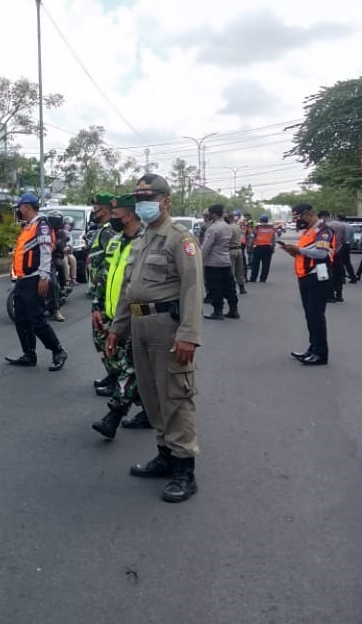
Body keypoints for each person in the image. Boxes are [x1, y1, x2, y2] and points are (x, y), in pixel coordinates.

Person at [106, 174, 203, 503]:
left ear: (165, 200)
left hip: (167, 326)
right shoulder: (142, 238)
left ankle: (184, 469)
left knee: (175, 395)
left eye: (148, 195)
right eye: (138, 196)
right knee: (151, 396)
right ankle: (164, 454)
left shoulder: (180, 238)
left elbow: (193, 288)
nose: (142, 201)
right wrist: (117, 328)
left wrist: (189, 334)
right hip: (139, 324)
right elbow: (128, 288)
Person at [90, 194, 150, 440]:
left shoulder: (147, 241)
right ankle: (147, 407)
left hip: (136, 317)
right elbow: (103, 274)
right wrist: (96, 305)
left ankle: (114, 415)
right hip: (109, 314)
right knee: (115, 361)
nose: (111, 219)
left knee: (130, 368)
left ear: (130, 215)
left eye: (115, 216)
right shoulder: (114, 241)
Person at [5, 193, 68, 372]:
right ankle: (29, 354)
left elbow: (46, 251)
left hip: (34, 279)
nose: (19, 210)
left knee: (37, 320)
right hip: (22, 279)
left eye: (20, 207)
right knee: (21, 319)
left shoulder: (42, 226)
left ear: (27, 206)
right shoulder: (28, 227)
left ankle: (58, 351)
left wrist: (44, 277)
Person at [278, 203, 334, 366]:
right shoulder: (308, 232)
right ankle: (313, 348)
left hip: (318, 277)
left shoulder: (323, 231)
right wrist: (293, 251)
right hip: (306, 276)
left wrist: (299, 250)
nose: (297, 221)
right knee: (310, 315)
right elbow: (306, 255)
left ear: (309, 215)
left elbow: (321, 253)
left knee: (316, 316)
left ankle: (321, 354)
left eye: (298, 217)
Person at [86, 193, 117, 395]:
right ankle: (113, 375)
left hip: (106, 293)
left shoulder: (108, 231)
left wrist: (99, 297)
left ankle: (116, 378)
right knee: (103, 337)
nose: (94, 213)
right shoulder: (104, 229)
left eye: (96, 209)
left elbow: (108, 265)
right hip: (101, 291)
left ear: (104, 210)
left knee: (104, 337)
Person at [201, 204, 238, 320]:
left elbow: (206, 246)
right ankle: (233, 310)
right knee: (229, 287)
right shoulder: (227, 226)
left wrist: (200, 259)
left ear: (213, 214)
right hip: (225, 261)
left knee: (215, 287)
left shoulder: (213, 228)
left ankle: (218, 311)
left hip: (213, 263)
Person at [321, 211, 345, 303]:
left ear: (323, 217)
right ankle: (339, 295)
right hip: (339, 250)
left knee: (330, 274)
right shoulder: (341, 225)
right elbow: (344, 239)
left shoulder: (325, 227)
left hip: (329, 252)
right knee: (338, 273)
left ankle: (330, 296)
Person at [248, 214, 277, 283]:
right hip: (268, 248)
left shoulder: (257, 228)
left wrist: (250, 246)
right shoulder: (272, 228)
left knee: (255, 264)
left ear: (260, 220)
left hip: (258, 247)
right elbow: (274, 239)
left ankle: (253, 278)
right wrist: (273, 247)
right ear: (267, 220)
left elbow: (252, 237)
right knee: (266, 264)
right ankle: (263, 279)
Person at [228, 211, 247, 295]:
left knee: (231, 271)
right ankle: (242, 287)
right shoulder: (237, 226)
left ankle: (231, 289)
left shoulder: (228, 228)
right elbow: (243, 233)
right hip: (239, 249)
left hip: (231, 250)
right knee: (239, 270)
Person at [335, 214, 358, 283]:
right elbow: (352, 238)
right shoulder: (350, 226)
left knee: (340, 262)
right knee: (347, 262)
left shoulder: (339, 226)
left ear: (338, 219)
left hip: (341, 244)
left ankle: (342, 278)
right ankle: (353, 277)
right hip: (347, 245)